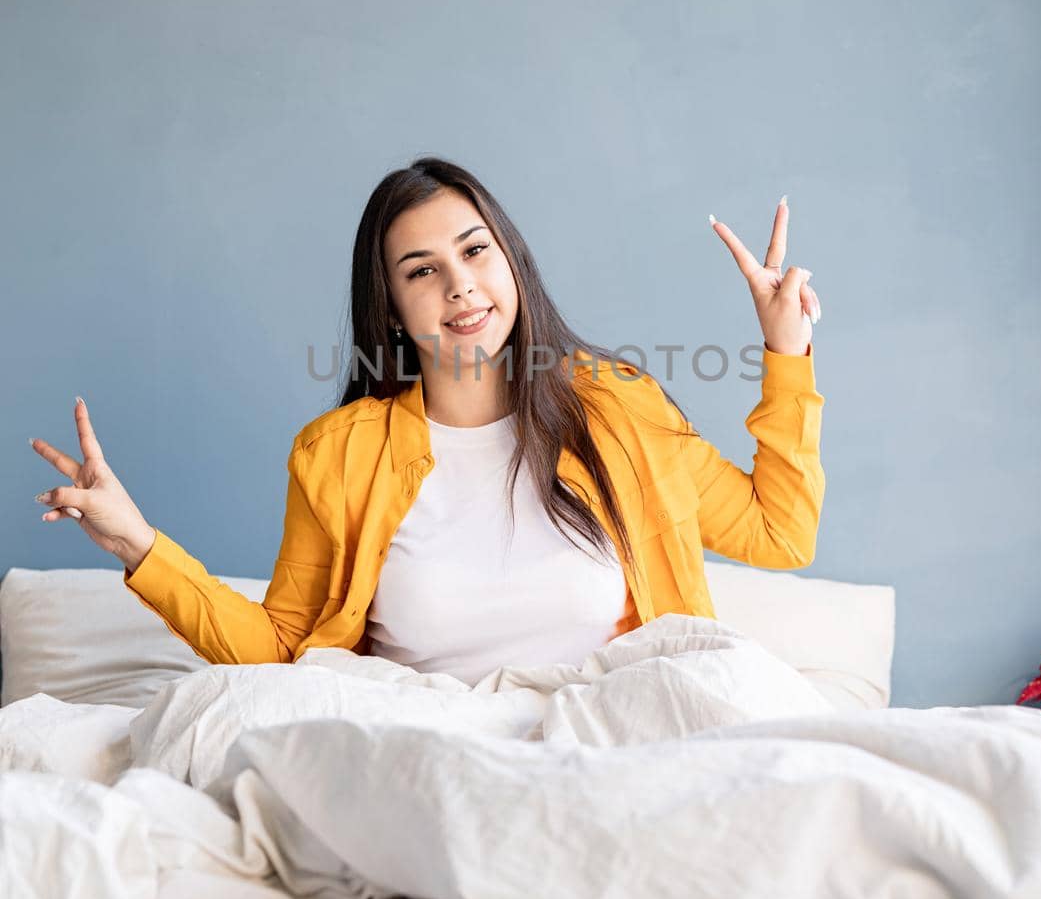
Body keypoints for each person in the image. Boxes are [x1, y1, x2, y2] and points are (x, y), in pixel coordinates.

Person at [29, 156, 825, 683]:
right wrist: (139, 543)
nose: (460, 286)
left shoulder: (618, 406)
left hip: (608, 738)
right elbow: (278, 650)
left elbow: (779, 533)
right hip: (430, 748)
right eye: (422, 270)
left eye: (476, 252)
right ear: (394, 306)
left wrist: (785, 350)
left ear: (510, 260)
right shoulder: (337, 456)